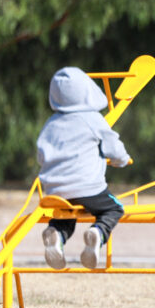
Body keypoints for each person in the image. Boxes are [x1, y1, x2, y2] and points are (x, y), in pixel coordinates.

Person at [37, 67, 131, 270]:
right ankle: (98, 232)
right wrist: (122, 160)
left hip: (55, 191)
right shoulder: (93, 119)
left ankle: (56, 233)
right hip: (88, 188)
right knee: (114, 209)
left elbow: (41, 154)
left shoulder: (51, 123)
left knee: (65, 216)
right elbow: (113, 147)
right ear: (88, 90)